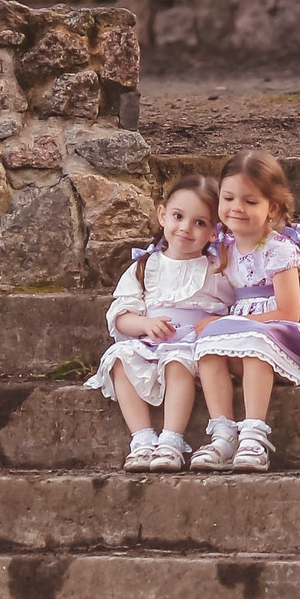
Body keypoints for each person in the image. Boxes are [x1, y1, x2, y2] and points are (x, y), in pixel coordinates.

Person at [188, 152, 300, 473]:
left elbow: (289, 313)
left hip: (293, 334)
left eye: (250, 201)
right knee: (208, 348)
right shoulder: (223, 247)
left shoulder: (278, 249)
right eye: (228, 198)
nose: (236, 207)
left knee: (254, 346)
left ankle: (253, 436)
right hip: (252, 328)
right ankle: (223, 435)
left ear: (273, 208)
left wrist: (232, 323)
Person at [89, 176, 235, 471]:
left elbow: (235, 307)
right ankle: (142, 439)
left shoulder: (216, 270)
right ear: (162, 214)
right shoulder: (144, 267)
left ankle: (171, 440)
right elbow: (122, 316)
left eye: (199, 223)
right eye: (178, 217)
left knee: (176, 361)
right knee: (119, 359)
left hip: (191, 347)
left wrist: (215, 323)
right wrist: (145, 324)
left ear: (213, 232)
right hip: (150, 344)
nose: (185, 228)